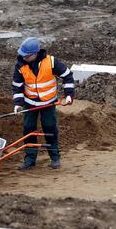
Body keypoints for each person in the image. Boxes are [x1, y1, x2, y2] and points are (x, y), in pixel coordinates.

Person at [12, 37, 74, 170]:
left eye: (27, 56)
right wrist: (18, 103)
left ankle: (55, 158)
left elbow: (67, 76)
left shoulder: (51, 62)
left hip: (48, 103)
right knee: (28, 129)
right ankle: (30, 160)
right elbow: (17, 86)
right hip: (30, 103)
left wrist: (69, 95)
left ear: (35, 54)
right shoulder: (20, 65)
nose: (24, 58)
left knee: (50, 128)